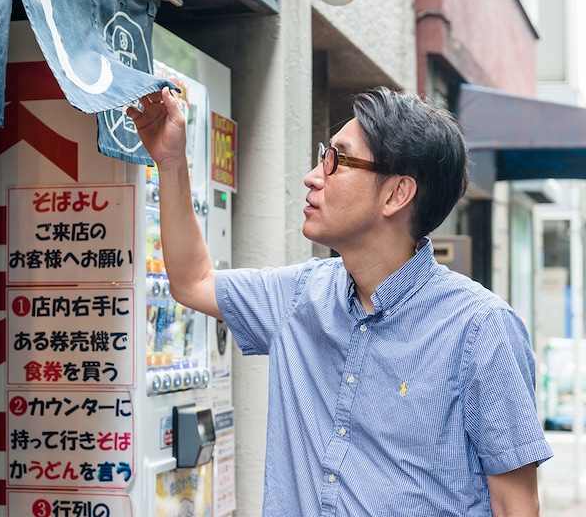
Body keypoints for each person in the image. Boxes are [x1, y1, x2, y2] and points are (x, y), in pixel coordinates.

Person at [128, 86, 553, 516]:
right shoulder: (299, 295)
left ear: (396, 194)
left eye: (337, 160)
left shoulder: (481, 329)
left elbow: (515, 505)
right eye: (321, 156)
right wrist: (169, 160)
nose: (314, 176)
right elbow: (192, 280)